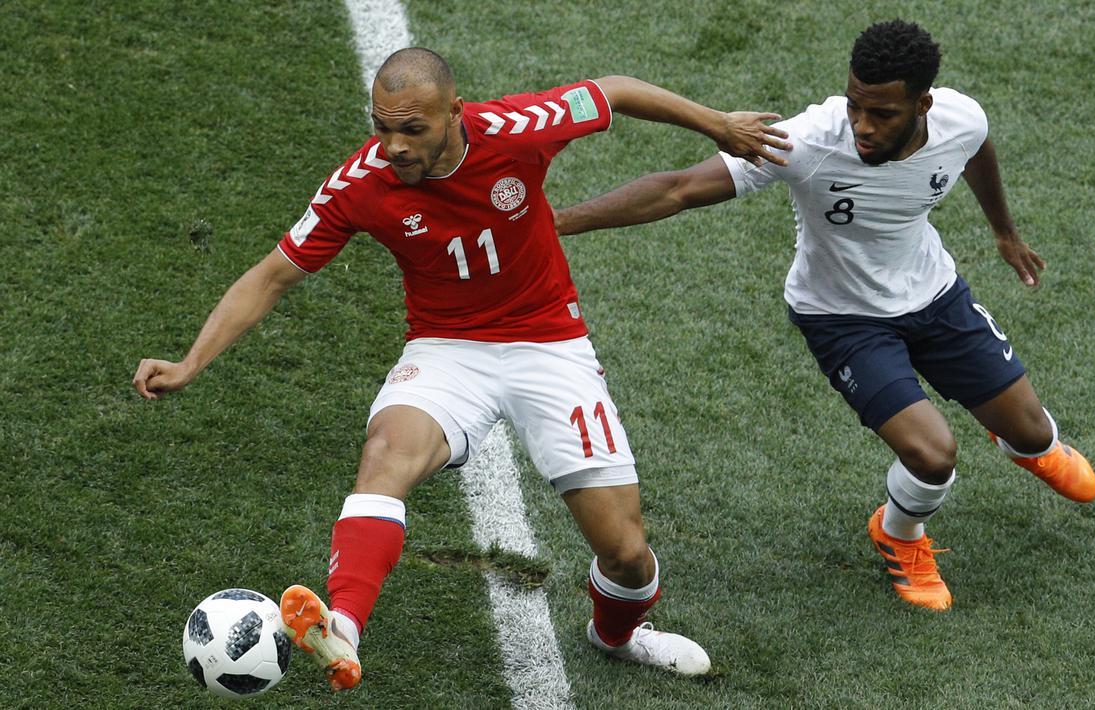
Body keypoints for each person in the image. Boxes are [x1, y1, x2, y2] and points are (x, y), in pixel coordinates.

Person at [133, 48, 790, 688]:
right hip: (445, 348)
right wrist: (191, 362)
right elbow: (271, 275)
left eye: (412, 130)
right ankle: (343, 627)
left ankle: (615, 636)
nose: (394, 146)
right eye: (381, 126)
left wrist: (718, 124)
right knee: (386, 454)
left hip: (549, 344)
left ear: (454, 113)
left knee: (624, 553)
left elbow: (613, 90)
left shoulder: (516, 131)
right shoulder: (360, 184)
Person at [555, 20, 1095, 612]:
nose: (862, 125)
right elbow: (678, 188)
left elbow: (977, 151)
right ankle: (899, 533)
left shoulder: (960, 118)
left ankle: (1019, 434)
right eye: (854, 105)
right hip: (843, 320)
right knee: (933, 454)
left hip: (935, 295)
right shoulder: (809, 142)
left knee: (1033, 435)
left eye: (882, 114)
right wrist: (557, 223)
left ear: (923, 105)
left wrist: (1004, 233)